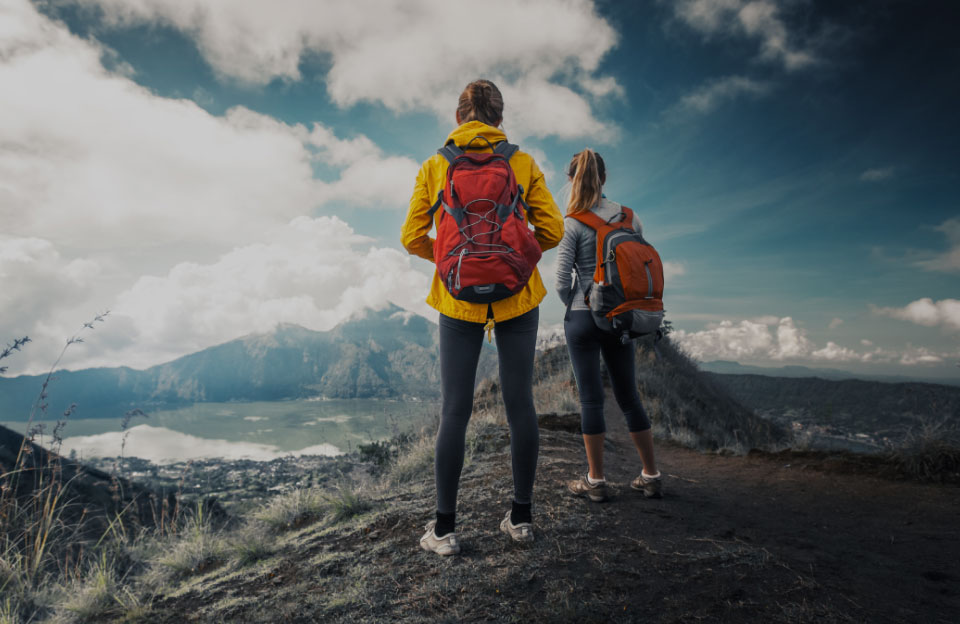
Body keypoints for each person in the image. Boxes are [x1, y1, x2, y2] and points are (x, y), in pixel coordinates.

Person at [401, 79, 563, 555]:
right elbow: (551, 228)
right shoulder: (521, 162)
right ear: (499, 117)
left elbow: (412, 237)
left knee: (455, 410)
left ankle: (445, 530)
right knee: (521, 405)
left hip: (457, 301)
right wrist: (512, 255)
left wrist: (454, 260)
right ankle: (521, 519)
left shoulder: (436, 164)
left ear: (459, 117)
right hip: (518, 296)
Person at [555, 149, 662, 503]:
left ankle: (596, 481)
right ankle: (650, 475)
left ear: (571, 180)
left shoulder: (572, 222)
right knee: (629, 395)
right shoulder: (630, 217)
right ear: (605, 178)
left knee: (591, 399)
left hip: (584, 316)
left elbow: (559, 281)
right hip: (621, 316)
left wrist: (577, 301)